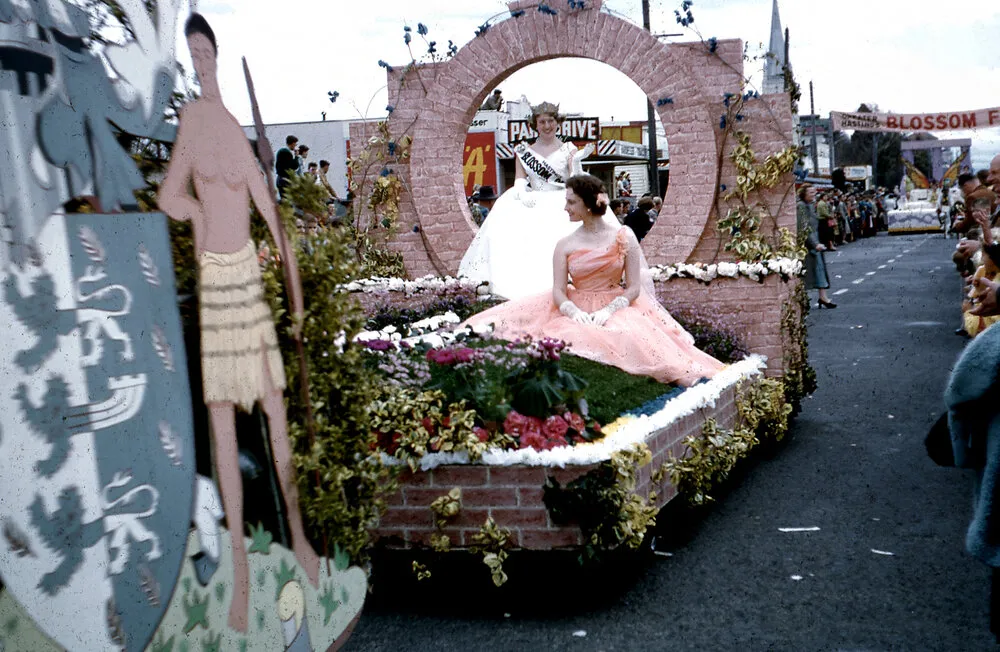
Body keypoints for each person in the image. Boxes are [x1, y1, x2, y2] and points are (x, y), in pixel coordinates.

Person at [158, 13, 320, 632]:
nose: (200, 61)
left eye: (206, 51)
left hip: (250, 285)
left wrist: (294, 285)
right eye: (191, 53)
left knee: (276, 410)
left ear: (217, 55)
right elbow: (169, 194)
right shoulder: (194, 122)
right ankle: (242, 581)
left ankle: (300, 538)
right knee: (224, 424)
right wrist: (196, 211)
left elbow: (272, 217)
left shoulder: (231, 124)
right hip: (216, 283)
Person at [463, 174, 725, 386]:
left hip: (617, 304)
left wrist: (611, 309)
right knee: (565, 336)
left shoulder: (624, 236)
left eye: (571, 202)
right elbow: (558, 289)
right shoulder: (565, 244)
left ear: (588, 204)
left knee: (631, 338)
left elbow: (634, 286)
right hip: (577, 303)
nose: (565, 208)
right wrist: (570, 310)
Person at [458, 101, 614, 299]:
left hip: (562, 201)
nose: (547, 126)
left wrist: (576, 161)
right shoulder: (524, 151)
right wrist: (521, 192)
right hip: (533, 201)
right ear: (535, 124)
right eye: (542, 122)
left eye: (550, 121)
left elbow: (576, 180)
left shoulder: (568, 149)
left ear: (558, 123)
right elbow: (520, 179)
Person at [797, 184, 836, 308]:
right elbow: (804, 227)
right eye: (811, 192)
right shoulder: (801, 206)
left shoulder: (810, 205)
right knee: (806, 273)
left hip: (815, 241)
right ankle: (804, 300)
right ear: (804, 193)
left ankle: (823, 297)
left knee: (819, 270)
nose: (814, 194)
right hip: (808, 245)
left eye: (814, 192)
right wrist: (815, 244)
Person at [275, 134, 298, 198]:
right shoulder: (286, 152)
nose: (296, 145)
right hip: (285, 180)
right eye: (295, 143)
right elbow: (294, 166)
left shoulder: (281, 151)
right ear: (292, 143)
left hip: (280, 179)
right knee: (287, 201)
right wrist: (296, 156)